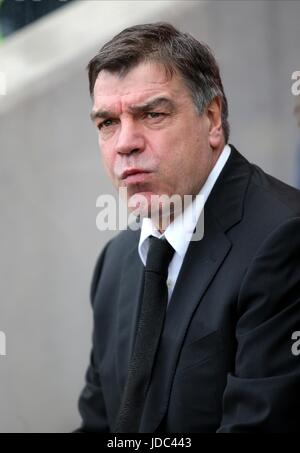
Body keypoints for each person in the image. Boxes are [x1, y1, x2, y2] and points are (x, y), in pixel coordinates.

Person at [77, 22, 300, 433]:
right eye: (107, 123)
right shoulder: (114, 262)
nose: (125, 142)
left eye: (153, 114)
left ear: (212, 119)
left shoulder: (286, 239)